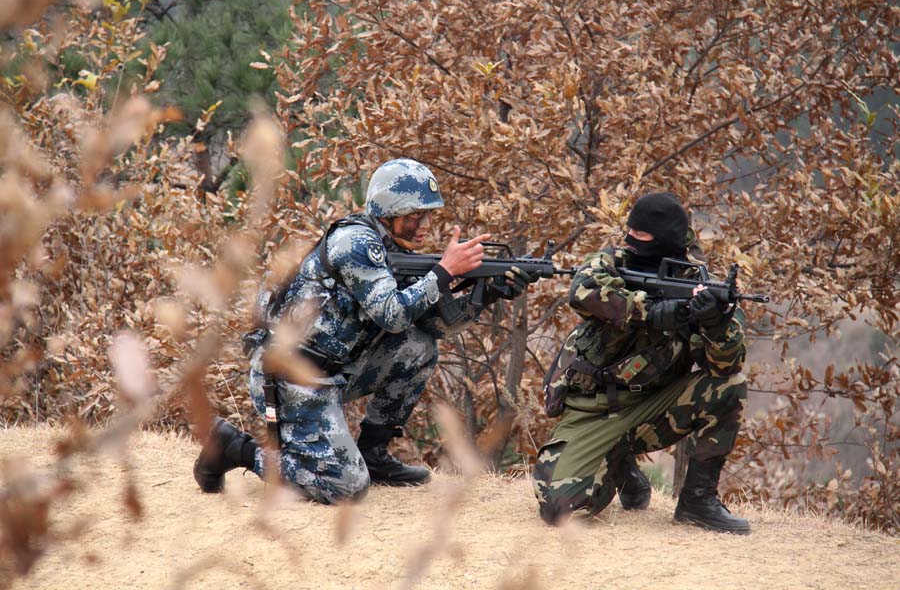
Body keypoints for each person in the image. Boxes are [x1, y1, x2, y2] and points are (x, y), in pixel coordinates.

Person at [193, 158, 538, 504]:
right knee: (346, 488)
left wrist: (487, 293)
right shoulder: (357, 243)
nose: (424, 225)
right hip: (290, 381)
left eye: (427, 215)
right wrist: (445, 272)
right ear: (390, 210)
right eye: (415, 215)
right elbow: (393, 315)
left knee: (419, 347)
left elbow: (432, 325)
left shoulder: (390, 249)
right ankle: (233, 448)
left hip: (333, 373)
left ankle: (374, 454)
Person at [532, 191, 750, 534]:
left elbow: (726, 364)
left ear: (665, 240)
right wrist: (651, 311)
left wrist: (714, 322)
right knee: (558, 510)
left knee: (730, 387)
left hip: (651, 408)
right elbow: (583, 290)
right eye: (630, 232)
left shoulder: (698, 286)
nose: (631, 240)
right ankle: (619, 466)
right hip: (592, 409)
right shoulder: (611, 261)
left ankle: (697, 501)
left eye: (642, 236)